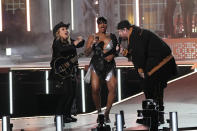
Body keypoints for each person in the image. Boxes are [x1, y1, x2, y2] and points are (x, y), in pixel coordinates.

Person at [117, 20, 177, 124]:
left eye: (120, 32)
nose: (119, 34)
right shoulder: (135, 33)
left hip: (161, 63)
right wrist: (125, 52)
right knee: (152, 87)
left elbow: (139, 55)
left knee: (150, 86)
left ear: (125, 30)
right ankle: (155, 116)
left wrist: (140, 70)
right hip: (162, 62)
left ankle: (154, 117)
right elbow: (135, 53)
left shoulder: (135, 36)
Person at [49, 22, 84, 123]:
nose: (66, 30)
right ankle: (58, 116)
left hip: (70, 72)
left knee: (72, 94)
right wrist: (75, 43)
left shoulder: (69, 41)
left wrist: (82, 40)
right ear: (58, 33)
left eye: (66, 29)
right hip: (60, 73)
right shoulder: (57, 42)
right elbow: (63, 50)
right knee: (66, 94)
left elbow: (79, 44)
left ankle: (67, 115)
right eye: (63, 29)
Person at [84, 17, 118, 123]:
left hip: (109, 65)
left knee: (113, 88)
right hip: (96, 65)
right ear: (97, 25)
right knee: (95, 89)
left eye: (104, 23)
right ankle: (99, 113)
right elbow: (86, 53)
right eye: (100, 23)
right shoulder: (92, 37)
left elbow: (117, 49)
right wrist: (92, 44)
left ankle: (107, 113)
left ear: (107, 24)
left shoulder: (112, 36)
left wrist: (112, 55)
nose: (102, 25)